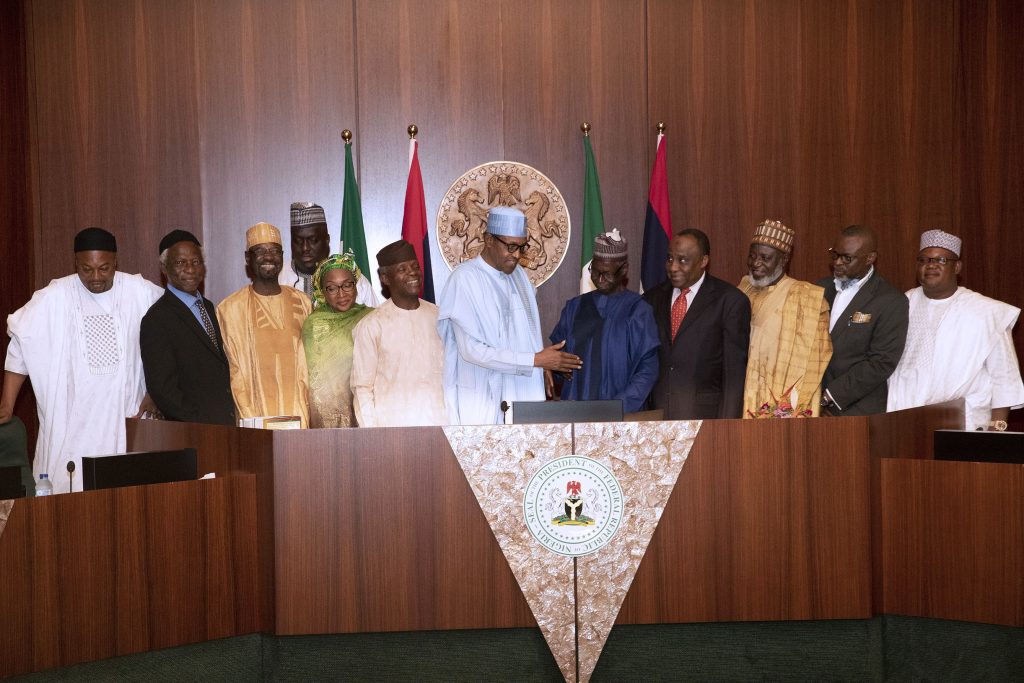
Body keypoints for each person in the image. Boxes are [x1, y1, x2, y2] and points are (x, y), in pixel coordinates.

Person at [0, 227, 162, 494]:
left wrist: (155, 392)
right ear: (76, 263)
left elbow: (169, 340)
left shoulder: (141, 292)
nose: (96, 277)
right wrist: (7, 404)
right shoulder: (54, 296)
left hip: (124, 418)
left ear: (116, 262)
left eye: (104, 269)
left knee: (127, 494)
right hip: (72, 423)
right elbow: (20, 342)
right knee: (71, 494)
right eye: (87, 269)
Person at [437, 206, 582, 425]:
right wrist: (535, 360)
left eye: (522, 247)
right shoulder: (464, 279)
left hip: (522, 390)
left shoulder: (519, 277)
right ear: (489, 240)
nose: (516, 255)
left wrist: (541, 364)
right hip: (482, 395)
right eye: (511, 246)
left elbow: (526, 333)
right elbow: (472, 350)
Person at [887, 229, 1024, 431]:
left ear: (957, 267)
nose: (931, 265)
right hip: (904, 421)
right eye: (923, 260)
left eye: (941, 260)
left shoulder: (987, 312)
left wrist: (996, 432)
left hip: (965, 425)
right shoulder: (902, 304)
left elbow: (1004, 378)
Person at [643, 229, 750, 419]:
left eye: (683, 260)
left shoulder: (730, 301)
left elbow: (734, 375)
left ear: (703, 261)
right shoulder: (651, 299)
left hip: (706, 418)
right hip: (657, 419)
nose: (673, 267)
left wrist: (727, 427)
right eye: (670, 259)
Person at [550, 230, 659, 413]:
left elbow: (647, 370)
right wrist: (558, 368)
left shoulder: (638, 310)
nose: (599, 279)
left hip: (621, 415)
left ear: (624, 269)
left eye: (607, 273)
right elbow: (557, 357)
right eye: (595, 271)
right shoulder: (574, 307)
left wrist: (617, 407)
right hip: (575, 414)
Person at [217, 222, 311, 426]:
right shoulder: (230, 308)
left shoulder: (303, 302)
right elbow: (235, 373)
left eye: (274, 251)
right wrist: (253, 422)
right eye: (260, 251)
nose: (268, 257)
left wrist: (303, 419)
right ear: (247, 258)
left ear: (282, 256)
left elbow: (308, 368)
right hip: (253, 420)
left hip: (299, 419)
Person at [140, 230, 236, 426]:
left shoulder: (209, 307)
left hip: (225, 426)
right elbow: (162, 389)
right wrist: (201, 423)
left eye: (195, 262)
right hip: (193, 431)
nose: (190, 269)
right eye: (180, 263)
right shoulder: (157, 319)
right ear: (164, 268)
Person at [738, 219, 832, 417]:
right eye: (752, 256)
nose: (755, 263)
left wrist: (786, 407)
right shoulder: (743, 288)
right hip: (742, 396)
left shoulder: (806, 298)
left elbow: (816, 360)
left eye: (765, 258)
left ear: (784, 260)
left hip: (781, 406)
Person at [351, 240, 447, 427]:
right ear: (385, 278)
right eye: (402, 269)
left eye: (415, 266)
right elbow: (362, 388)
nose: (412, 272)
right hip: (392, 431)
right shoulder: (372, 325)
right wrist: (374, 434)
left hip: (439, 425)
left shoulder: (439, 317)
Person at [816, 225, 908, 415]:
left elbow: (881, 362)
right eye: (835, 255)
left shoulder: (890, 300)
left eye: (847, 258)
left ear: (870, 258)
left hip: (857, 410)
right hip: (813, 405)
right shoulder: (819, 289)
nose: (837, 263)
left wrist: (831, 396)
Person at [301, 252, 374, 428]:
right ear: (322, 292)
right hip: (327, 419)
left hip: (369, 414)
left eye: (347, 285)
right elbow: (316, 383)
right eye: (332, 288)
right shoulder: (315, 324)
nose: (341, 294)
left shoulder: (371, 318)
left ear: (356, 285)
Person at [282, 202, 379, 307]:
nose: (305, 248)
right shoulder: (279, 279)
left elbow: (375, 316)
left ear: (327, 240)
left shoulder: (354, 281)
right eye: (298, 241)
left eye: (313, 240)